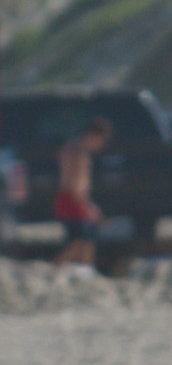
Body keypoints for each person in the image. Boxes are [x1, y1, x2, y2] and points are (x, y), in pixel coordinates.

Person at [53, 116, 106, 271]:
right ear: (93, 135)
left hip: (70, 198)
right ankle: (54, 269)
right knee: (78, 242)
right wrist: (89, 207)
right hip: (73, 200)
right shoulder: (79, 153)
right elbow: (75, 184)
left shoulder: (71, 148)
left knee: (88, 240)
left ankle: (85, 272)